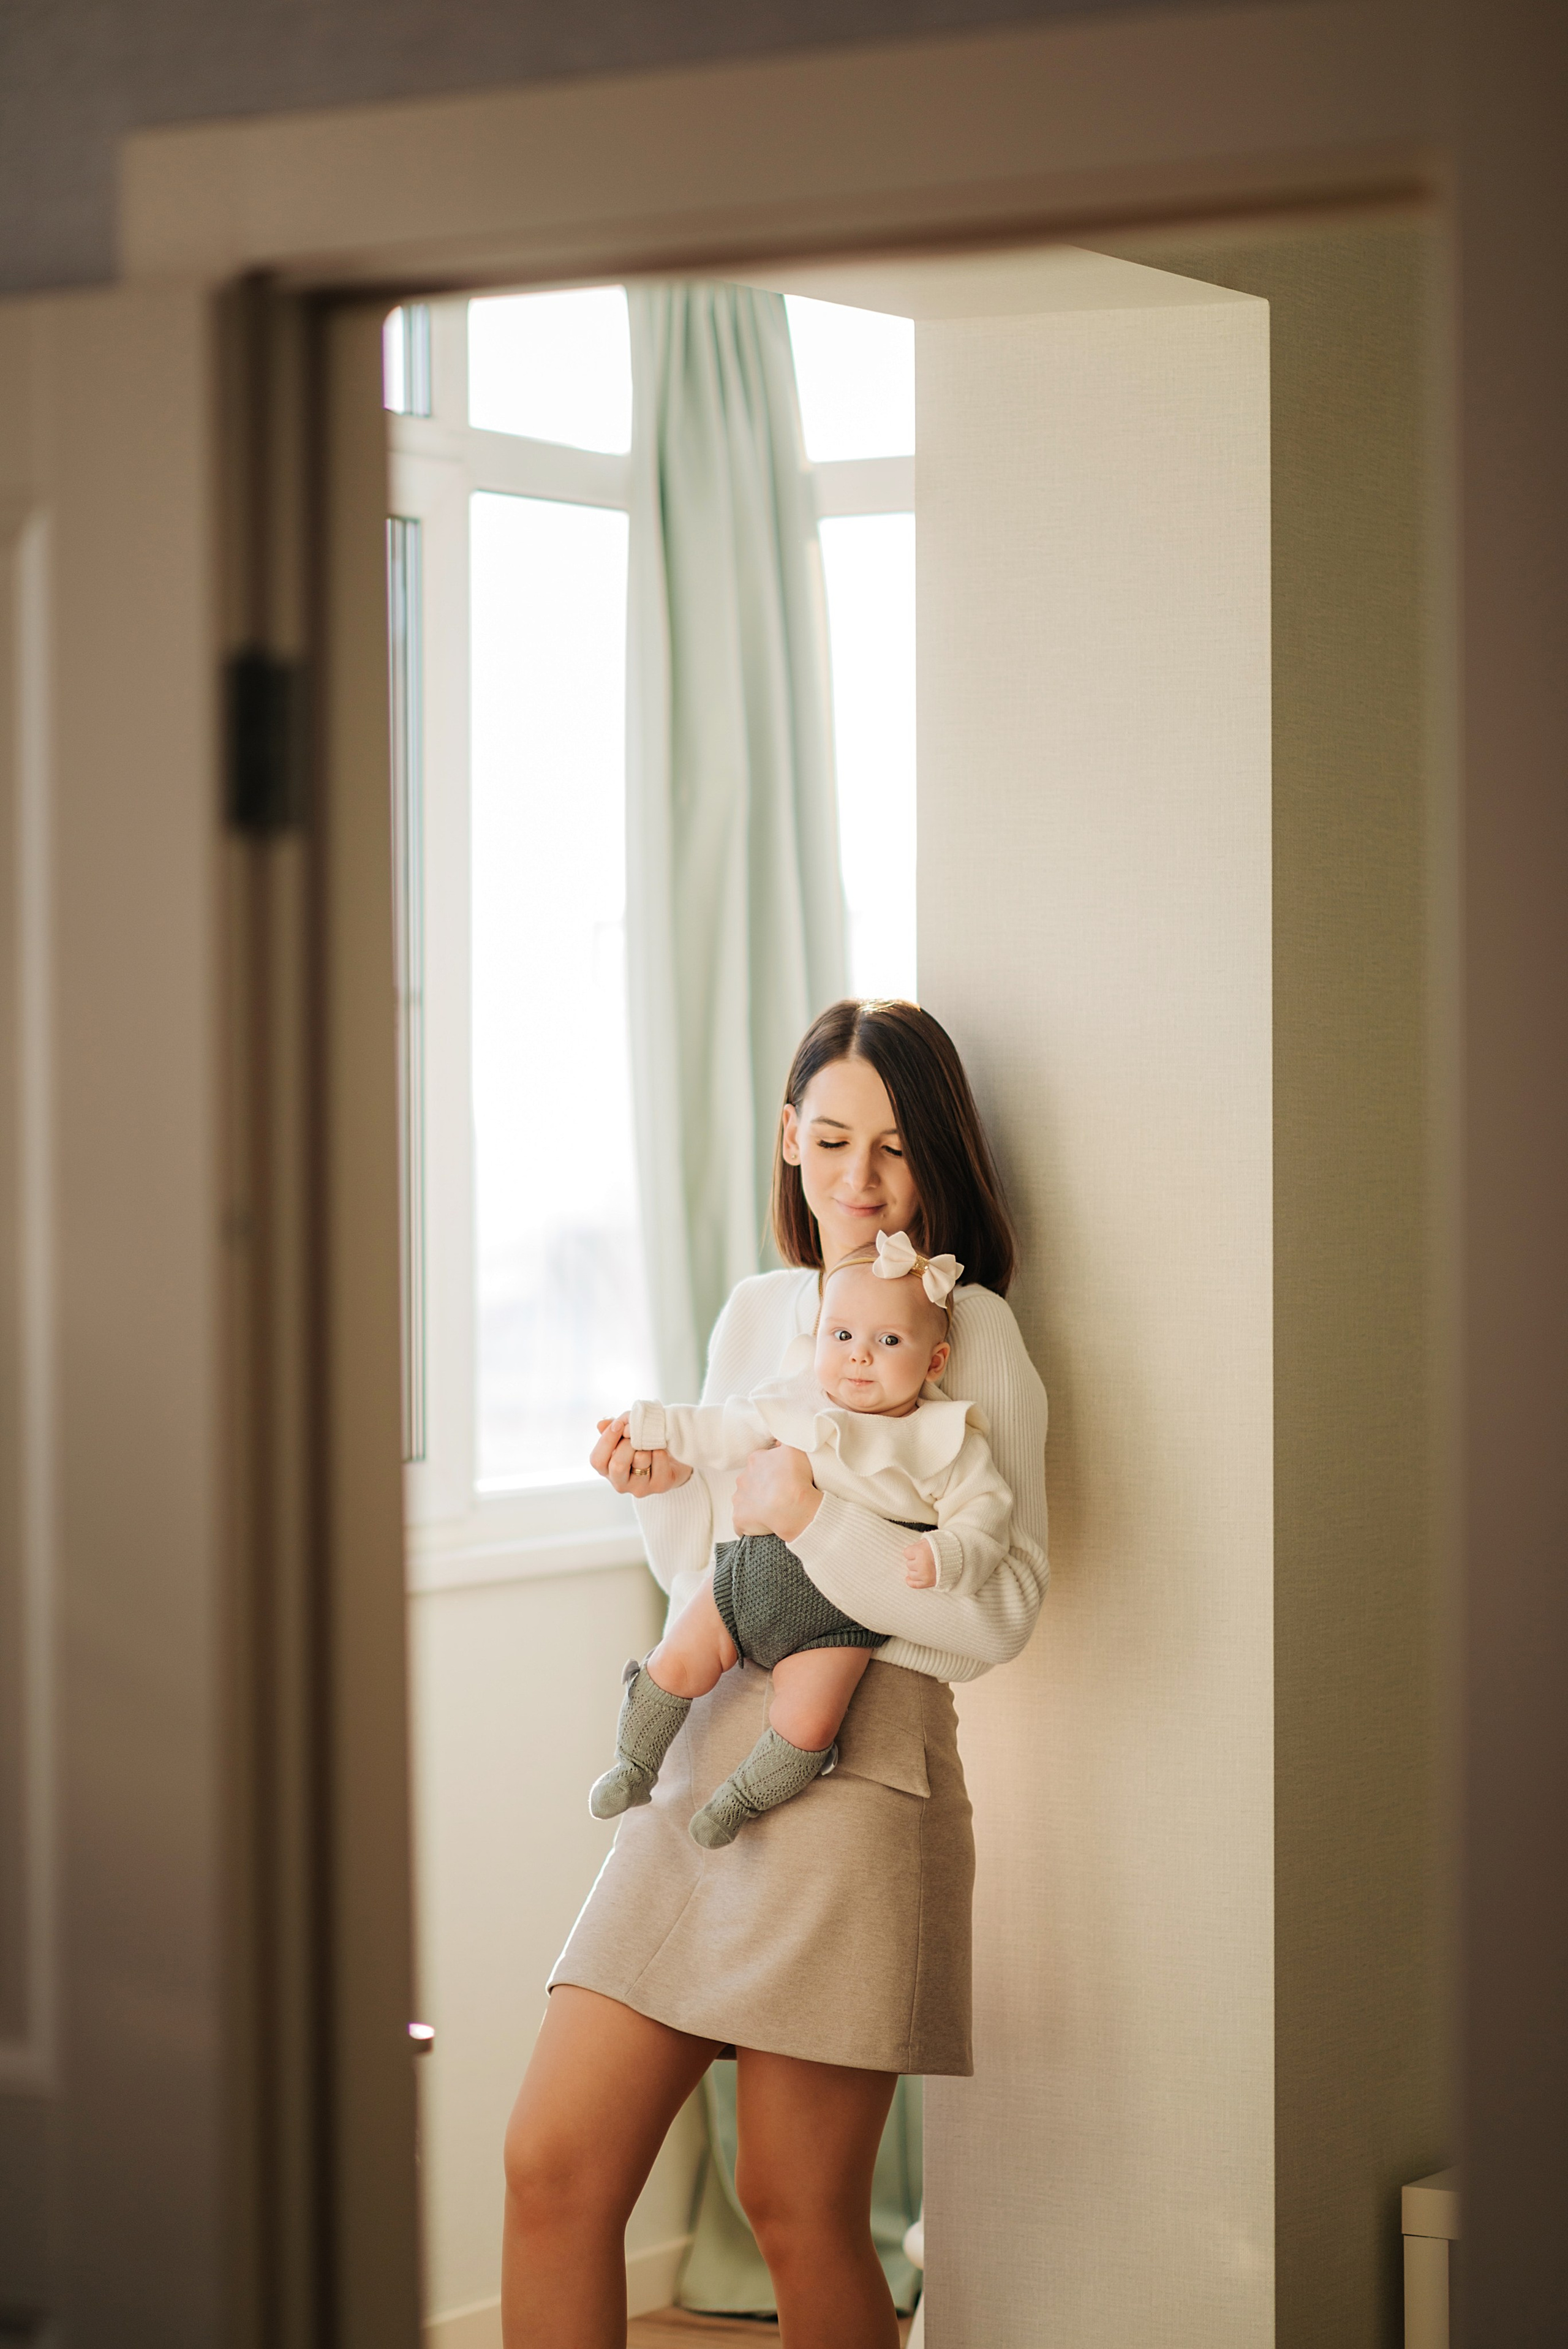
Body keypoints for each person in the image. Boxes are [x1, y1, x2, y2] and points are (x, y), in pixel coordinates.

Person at [501, 1000, 1048, 2349]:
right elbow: (710, 1561)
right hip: (703, 1754)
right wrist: (655, 1489)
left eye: (894, 1150)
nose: (856, 1182)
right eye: (829, 1139)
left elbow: (1002, 1615)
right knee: (550, 2165)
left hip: (862, 1763)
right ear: (789, 1141)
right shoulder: (757, 1312)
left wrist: (816, 1520)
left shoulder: (969, 1331)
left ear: (938, 1163)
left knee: (797, 2208)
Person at [589, 1230, 1014, 1847]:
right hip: (746, 1574)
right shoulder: (793, 1397)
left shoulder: (946, 1439)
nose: (859, 1356)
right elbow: (717, 1429)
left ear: (935, 1360)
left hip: (840, 1618)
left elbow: (985, 1516)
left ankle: (735, 1804)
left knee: (809, 1723)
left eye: (888, 1341)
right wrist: (653, 1426)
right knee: (675, 1660)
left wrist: (947, 1554)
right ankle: (633, 1761)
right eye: (840, 1336)